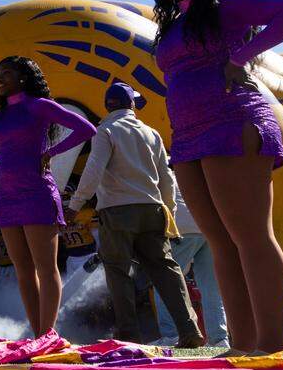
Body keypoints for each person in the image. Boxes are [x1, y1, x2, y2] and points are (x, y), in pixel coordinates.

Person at [155, 0, 283, 352]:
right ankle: (243, 346)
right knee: (219, 240)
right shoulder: (174, 22)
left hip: (233, 120)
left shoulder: (227, 5)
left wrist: (242, 55)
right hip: (188, 136)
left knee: (251, 237)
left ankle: (273, 347)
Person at [68, 82, 205, 348]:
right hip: (152, 209)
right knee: (166, 270)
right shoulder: (151, 133)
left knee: (119, 271)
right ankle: (189, 329)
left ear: (109, 105)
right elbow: (167, 178)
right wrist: (170, 211)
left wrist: (75, 204)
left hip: (117, 211)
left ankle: (128, 334)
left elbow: (93, 171)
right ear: (131, 104)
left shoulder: (106, 130)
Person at [0, 57, 97, 337]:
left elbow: (86, 129)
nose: (0, 78)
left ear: (23, 78)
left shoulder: (38, 106)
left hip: (37, 193)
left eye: (7, 73)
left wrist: (50, 153)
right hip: (7, 198)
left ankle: (48, 335)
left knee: (46, 268)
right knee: (23, 270)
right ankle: (36, 335)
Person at [158, 187, 228, 346]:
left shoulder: (170, 172)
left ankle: (171, 335)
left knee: (164, 281)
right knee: (211, 287)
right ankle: (219, 338)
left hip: (181, 227)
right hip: (209, 226)